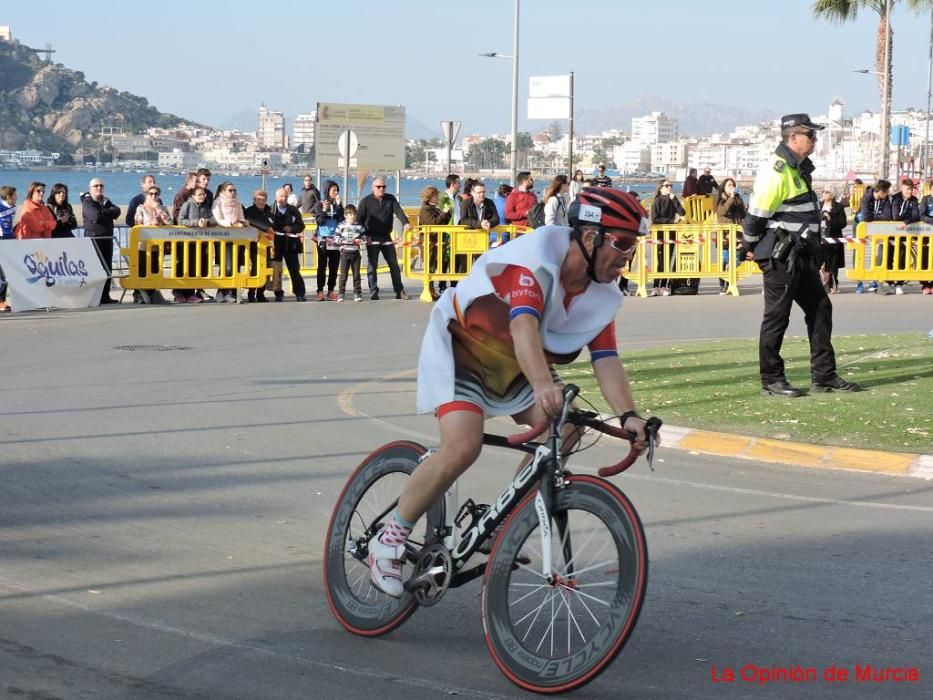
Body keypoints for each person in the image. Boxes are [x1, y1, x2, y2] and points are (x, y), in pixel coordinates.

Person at [367, 187, 656, 597]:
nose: (629, 256)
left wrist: (630, 415)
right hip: (465, 345)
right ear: (590, 238)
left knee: (567, 428)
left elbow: (606, 358)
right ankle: (390, 540)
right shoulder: (535, 261)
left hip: (519, 360)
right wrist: (543, 386)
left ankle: (501, 525)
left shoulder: (603, 294)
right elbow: (523, 326)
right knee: (463, 446)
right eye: (623, 244)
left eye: (634, 246)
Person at [740, 113, 859, 397]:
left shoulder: (797, 169)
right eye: (810, 135)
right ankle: (771, 379)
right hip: (782, 256)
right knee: (777, 317)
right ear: (793, 137)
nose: (815, 140)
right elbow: (755, 217)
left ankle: (824, 375)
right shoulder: (778, 170)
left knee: (820, 309)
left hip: (801, 255)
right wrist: (753, 248)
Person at [356, 177, 411, 300]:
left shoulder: (390, 199)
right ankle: (373, 291)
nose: (381, 189)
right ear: (373, 188)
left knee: (394, 264)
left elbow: (399, 211)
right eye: (378, 187)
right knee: (372, 265)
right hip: (371, 237)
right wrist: (364, 236)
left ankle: (399, 291)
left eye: (383, 187)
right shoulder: (365, 201)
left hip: (386, 237)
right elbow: (358, 221)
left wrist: (405, 223)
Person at [82, 178, 121, 304]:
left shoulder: (105, 200)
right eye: (96, 186)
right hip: (94, 239)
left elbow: (117, 211)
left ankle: (105, 296)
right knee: (95, 269)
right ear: (90, 188)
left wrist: (104, 211)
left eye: (101, 185)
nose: (99, 188)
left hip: (107, 239)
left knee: (107, 268)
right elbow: (95, 216)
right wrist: (106, 214)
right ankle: (94, 296)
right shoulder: (87, 201)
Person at [175, 186, 216, 303]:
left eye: (203, 194)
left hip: (202, 242)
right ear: (193, 196)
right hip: (188, 241)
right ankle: (183, 292)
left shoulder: (205, 206)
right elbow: (181, 220)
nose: (202, 196)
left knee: (197, 267)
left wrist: (207, 222)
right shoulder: (187, 205)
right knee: (187, 266)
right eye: (199, 195)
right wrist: (196, 223)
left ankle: (192, 293)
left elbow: (214, 219)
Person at [212, 182, 247, 302]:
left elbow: (241, 216)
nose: (233, 192)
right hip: (223, 237)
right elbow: (218, 219)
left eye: (234, 190)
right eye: (230, 190)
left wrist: (243, 222)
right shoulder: (218, 202)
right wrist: (229, 223)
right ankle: (224, 292)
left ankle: (226, 293)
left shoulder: (237, 202)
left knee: (235, 266)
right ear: (223, 191)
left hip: (237, 237)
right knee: (226, 266)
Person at [855, 179, 892, 294]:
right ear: (881, 192)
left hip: (877, 228)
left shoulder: (885, 199)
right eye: (887, 192)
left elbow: (888, 216)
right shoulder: (866, 197)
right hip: (861, 227)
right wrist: (877, 216)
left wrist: (874, 217)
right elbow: (865, 217)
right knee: (858, 253)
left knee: (879, 253)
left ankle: (876, 282)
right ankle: (859, 282)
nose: (888, 194)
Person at [270, 187, 306, 301]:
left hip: (291, 244)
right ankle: (278, 292)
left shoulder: (293, 210)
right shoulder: (271, 210)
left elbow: (301, 225)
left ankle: (300, 293)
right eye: (281, 196)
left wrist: (291, 228)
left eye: (286, 196)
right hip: (276, 244)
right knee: (276, 270)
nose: (284, 198)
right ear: (276, 197)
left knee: (294, 269)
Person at [649, 178, 685, 296]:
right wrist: (671, 221)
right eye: (667, 186)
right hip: (659, 234)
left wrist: (674, 199)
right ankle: (655, 286)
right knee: (660, 260)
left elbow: (682, 213)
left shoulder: (672, 199)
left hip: (671, 234)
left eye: (671, 185)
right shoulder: (657, 200)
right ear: (660, 188)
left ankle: (664, 285)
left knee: (667, 260)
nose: (669, 187)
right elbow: (655, 218)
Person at [886, 177, 919, 295]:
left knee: (902, 258)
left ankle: (899, 283)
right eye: (907, 189)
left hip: (906, 236)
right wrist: (905, 219)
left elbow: (916, 216)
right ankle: (890, 282)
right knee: (888, 257)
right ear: (902, 188)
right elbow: (895, 217)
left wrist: (906, 222)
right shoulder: (895, 199)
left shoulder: (914, 200)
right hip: (891, 235)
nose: (909, 192)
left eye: (911, 189)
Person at [419, 185, 451, 301]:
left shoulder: (435, 208)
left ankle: (432, 290)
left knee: (434, 266)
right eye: (436, 196)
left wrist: (447, 213)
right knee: (430, 266)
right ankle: (429, 289)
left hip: (437, 241)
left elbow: (443, 222)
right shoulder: (425, 209)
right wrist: (443, 213)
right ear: (430, 197)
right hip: (429, 242)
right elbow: (433, 223)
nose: (438, 198)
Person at [313, 180, 344, 301]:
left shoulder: (337, 204)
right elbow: (319, 222)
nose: (336, 193)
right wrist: (324, 211)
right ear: (327, 191)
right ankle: (320, 291)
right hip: (323, 239)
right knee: (322, 266)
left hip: (335, 239)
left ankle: (331, 290)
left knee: (334, 266)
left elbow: (342, 220)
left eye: (337, 190)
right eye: (333, 190)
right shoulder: (319, 204)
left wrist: (339, 206)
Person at [715, 178, 746, 293]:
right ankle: (723, 285)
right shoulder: (720, 199)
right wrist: (731, 198)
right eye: (729, 185)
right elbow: (722, 211)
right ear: (724, 187)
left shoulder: (737, 198)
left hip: (737, 234)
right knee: (724, 260)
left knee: (736, 259)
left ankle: (730, 282)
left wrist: (745, 207)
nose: (731, 187)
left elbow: (743, 215)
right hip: (725, 235)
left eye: (733, 185)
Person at [244, 189, 274, 303]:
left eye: (263, 199)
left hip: (267, 244)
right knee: (256, 268)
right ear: (254, 200)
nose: (261, 201)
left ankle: (261, 293)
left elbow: (272, 224)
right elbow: (251, 222)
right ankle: (251, 293)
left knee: (265, 267)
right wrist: (265, 229)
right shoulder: (250, 211)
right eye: (258, 199)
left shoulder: (269, 210)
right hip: (254, 243)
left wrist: (268, 229)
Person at [818, 188, 847, 294]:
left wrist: (830, 219)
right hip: (819, 239)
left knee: (833, 263)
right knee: (819, 262)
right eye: (823, 192)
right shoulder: (819, 205)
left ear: (832, 194)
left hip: (833, 239)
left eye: (827, 192)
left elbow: (843, 223)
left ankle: (833, 285)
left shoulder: (838, 206)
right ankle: (820, 284)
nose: (824, 194)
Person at [335, 204, 366, 302]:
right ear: (345, 215)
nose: (353, 216)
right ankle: (341, 294)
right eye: (350, 214)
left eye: (354, 214)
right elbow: (336, 238)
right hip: (344, 253)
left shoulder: (359, 226)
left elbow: (364, 237)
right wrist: (342, 240)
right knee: (343, 275)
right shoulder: (341, 225)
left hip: (356, 253)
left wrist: (360, 240)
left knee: (356, 275)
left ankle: (357, 293)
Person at [0, 185, 16, 312]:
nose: (17, 197)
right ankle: (1, 301)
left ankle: (3, 300)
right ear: (8, 197)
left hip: (9, 241)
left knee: (8, 273)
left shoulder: (13, 207)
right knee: (1, 275)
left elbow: (9, 225)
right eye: (15, 195)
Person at [916, 186, 933, 295]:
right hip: (926, 235)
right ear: (931, 190)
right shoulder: (925, 199)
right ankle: (925, 284)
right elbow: (922, 215)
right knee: (925, 257)